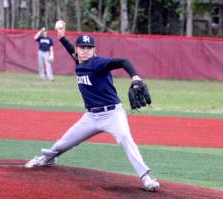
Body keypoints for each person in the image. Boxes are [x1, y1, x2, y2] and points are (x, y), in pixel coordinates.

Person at [25, 21, 160, 192]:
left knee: (126, 138)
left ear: (94, 49)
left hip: (112, 114)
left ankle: (146, 178)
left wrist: (135, 77)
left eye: (89, 47)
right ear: (78, 49)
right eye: (82, 47)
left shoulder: (98, 63)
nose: (85, 50)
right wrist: (61, 37)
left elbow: (124, 61)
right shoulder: (79, 61)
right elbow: (71, 52)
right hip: (91, 117)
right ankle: (48, 159)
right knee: (62, 144)